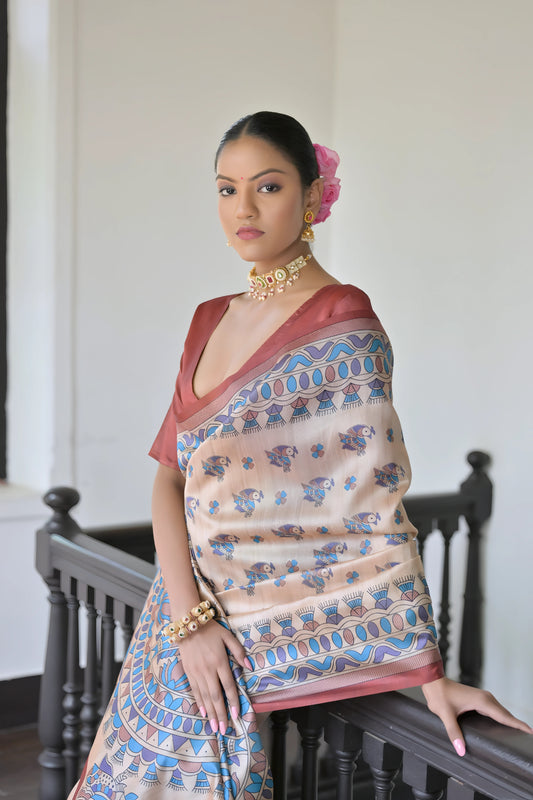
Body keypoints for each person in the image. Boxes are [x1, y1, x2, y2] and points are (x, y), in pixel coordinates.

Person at [69, 111, 531, 800]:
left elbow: (367, 503)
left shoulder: (340, 320)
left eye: (268, 186)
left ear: (312, 198)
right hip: (178, 633)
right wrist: (187, 621)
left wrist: (425, 668)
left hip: (251, 641)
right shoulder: (207, 318)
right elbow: (170, 478)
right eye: (225, 189)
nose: (242, 209)